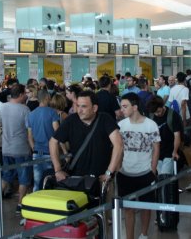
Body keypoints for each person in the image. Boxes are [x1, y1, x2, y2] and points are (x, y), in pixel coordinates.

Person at [49, 90, 123, 182]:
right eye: (78, 106)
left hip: (101, 179)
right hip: (76, 177)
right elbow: (53, 142)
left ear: (94, 108)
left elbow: (118, 145)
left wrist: (109, 172)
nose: (79, 110)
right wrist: (58, 170)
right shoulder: (71, 120)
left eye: (84, 106)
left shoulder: (105, 119)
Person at [117, 93, 160, 239]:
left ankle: (144, 234)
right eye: (121, 106)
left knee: (145, 207)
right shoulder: (121, 125)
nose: (122, 109)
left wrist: (152, 170)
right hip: (125, 173)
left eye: (125, 106)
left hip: (145, 172)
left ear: (134, 107)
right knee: (128, 209)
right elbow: (118, 149)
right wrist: (118, 169)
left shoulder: (150, 124)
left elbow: (156, 149)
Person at [0, 84, 32, 208]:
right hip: (21, 149)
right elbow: (29, 129)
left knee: (6, 175)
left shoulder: (3, 107)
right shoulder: (25, 109)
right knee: (24, 178)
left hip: (6, 148)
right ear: (21, 94)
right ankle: (20, 204)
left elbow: (0, 124)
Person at [26, 89, 61, 191]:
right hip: (50, 153)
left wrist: (34, 148)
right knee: (49, 182)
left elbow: (29, 136)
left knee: (37, 183)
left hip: (36, 152)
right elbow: (57, 132)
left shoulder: (31, 114)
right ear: (47, 98)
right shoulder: (52, 113)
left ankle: (36, 203)